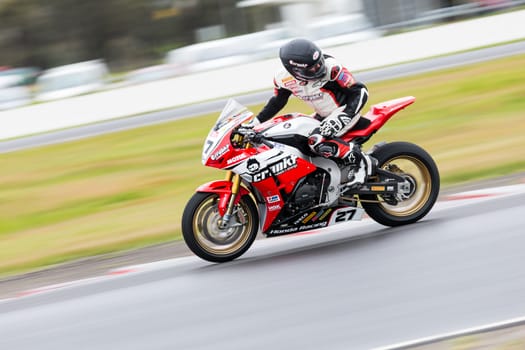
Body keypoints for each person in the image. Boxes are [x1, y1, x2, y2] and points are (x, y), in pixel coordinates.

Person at [249, 38, 374, 187]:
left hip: (344, 111)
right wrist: (253, 124)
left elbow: (360, 91)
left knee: (316, 140)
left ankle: (362, 163)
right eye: (311, 69)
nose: (318, 69)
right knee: (293, 141)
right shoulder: (282, 78)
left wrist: (344, 117)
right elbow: (277, 102)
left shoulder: (332, 68)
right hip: (321, 115)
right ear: (293, 70)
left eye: (318, 64)